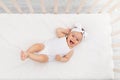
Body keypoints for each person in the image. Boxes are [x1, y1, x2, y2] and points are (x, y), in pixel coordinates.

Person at [21, 24, 86, 63]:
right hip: (45, 46)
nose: (74, 39)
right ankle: (27, 52)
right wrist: (65, 31)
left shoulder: (70, 51)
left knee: (43, 59)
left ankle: (29, 55)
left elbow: (67, 59)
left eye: (77, 40)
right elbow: (58, 30)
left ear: (79, 43)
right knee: (37, 45)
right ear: (69, 34)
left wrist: (60, 59)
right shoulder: (63, 37)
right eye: (73, 36)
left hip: (50, 56)